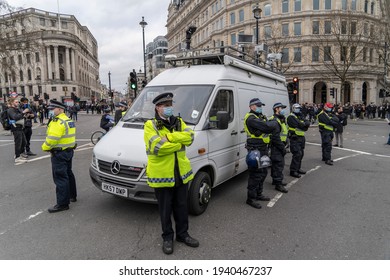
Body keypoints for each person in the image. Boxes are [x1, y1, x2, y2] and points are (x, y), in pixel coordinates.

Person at [144, 92, 199, 255]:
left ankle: (183, 235)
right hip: (162, 175)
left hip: (181, 173)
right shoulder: (150, 125)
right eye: (165, 106)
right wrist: (179, 144)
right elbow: (157, 147)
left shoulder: (178, 122)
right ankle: (167, 237)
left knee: (182, 207)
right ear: (157, 108)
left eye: (170, 105)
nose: (169, 108)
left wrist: (169, 137)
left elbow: (190, 137)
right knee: (165, 210)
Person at [42, 100, 77, 213]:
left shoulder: (58, 122)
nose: (51, 111)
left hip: (59, 153)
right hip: (69, 151)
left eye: (53, 109)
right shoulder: (68, 120)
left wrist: (45, 147)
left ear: (60, 109)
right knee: (68, 173)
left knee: (60, 177)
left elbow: (52, 139)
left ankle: (62, 204)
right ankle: (72, 196)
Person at [243, 98, 275, 209]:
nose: (261, 107)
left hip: (263, 148)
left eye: (261, 105)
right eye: (258, 105)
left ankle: (258, 194)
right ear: (252, 106)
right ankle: (251, 198)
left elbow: (267, 127)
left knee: (263, 172)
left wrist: (263, 128)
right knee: (255, 174)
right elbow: (268, 127)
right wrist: (265, 126)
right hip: (255, 149)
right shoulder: (251, 118)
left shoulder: (259, 117)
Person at [268, 102, 288, 193]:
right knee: (278, 164)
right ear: (276, 109)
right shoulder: (274, 120)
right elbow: (275, 137)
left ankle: (275, 180)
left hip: (280, 144)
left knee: (276, 164)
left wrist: (286, 141)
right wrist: (282, 148)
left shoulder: (280, 119)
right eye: (281, 108)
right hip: (277, 146)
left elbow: (283, 132)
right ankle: (278, 184)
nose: (283, 110)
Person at [287, 103, 310, 178]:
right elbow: (300, 125)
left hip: (301, 137)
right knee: (297, 154)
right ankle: (293, 171)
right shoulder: (291, 117)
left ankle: (298, 168)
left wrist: (304, 124)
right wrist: (303, 124)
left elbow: (307, 123)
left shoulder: (300, 115)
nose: (298, 109)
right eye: (297, 108)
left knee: (301, 153)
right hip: (295, 137)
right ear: (293, 108)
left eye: (299, 108)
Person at [7, 98, 28, 164]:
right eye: (16, 102)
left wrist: (25, 115)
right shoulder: (10, 110)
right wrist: (23, 112)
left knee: (24, 142)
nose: (18, 103)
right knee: (18, 143)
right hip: (15, 128)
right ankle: (17, 157)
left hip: (20, 127)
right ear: (12, 103)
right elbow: (15, 117)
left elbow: (20, 116)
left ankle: (20, 154)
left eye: (18, 102)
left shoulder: (16, 109)